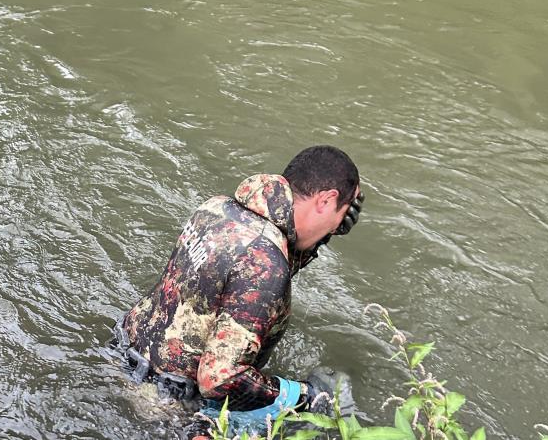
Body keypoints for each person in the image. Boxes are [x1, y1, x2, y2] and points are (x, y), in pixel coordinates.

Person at [112, 145, 365, 438]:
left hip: (119, 354)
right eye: (341, 214)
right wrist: (305, 396)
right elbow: (218, 380)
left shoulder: (218, 208)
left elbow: (250, 276)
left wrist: (322, 237)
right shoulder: (266, 262)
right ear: (326, 199)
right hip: (165, 407)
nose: (337, 225)